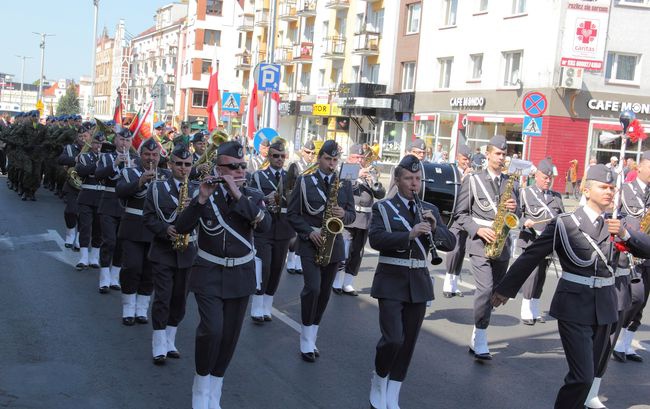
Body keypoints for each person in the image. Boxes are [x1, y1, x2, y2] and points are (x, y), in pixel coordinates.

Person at [491, 164, 650, 409]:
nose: (609, 192)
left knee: (592, 375)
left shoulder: (617, 225)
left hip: (606, 306)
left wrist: (627, 236)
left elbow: (646, 249)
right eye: (602, 187)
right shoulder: (566, 223)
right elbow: (530, 256)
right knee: (582, 376)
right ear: (586, 190)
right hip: (574, 306)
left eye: (611, 187)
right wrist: (505, 289)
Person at [174, 140, 270, 408]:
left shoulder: (252, 196)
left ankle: (215, 388)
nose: (239, 171)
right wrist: (201, 198)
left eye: (242, 166)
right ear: (218, 168)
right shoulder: (204, 193)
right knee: (211, 330)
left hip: (241, 274)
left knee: (229, 337)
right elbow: (181, 227)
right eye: (232, 167)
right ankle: (201, 383)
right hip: (209, 273)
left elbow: (265, 227)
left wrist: (239, 196)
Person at [367, 155, 455, 409]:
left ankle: (393, 392)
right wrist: (409, 234)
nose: (414, 183)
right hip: (391, 280)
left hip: (418, 282)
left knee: (408, 343)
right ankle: (379, 377)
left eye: (417, 178)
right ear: (398, 180)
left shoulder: (429, 209)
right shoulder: (383, 208)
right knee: (393, 338)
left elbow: (450, 244)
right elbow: (376, 239)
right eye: (408, 178)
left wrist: (435, 227)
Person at [287, 140, 355, 363]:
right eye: (328, 159)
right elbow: (293, 214)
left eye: (335, 160)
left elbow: (353, 216)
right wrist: (307, 232)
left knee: (325, 294)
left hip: (333, 245)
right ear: (319, 158)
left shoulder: (343, 184)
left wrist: (343, 214)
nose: (332, 164)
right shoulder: (305, 181)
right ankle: (305, 338)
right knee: (312, 288)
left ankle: (312, 336)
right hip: (310, 242)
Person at [454, 135, 519, 360]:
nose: (501, 158)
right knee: (484, 288)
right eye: (498, 154)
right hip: (480, 243)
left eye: (504, 154)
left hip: (502, 244)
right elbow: (460, 215)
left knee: (494, 292)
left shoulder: (512, 183)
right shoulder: (473, 180)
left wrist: (515, 209)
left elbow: (516, 217)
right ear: (488, 154)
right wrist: (478, 230)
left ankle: (478, 330)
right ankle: (481, 336)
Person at [143, 145, 198, 365]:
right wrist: (164, 229)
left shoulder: (197, 190)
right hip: (163, 251)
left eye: (187, 165)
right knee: (163, 297)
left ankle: (170, 339)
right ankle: (158, 343)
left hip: (187, 251)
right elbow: (147, 218)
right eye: (179, 164)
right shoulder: (157, 188)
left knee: (180, 299)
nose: (183, 168)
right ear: (170, 164)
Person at [116, 138, 167, 326]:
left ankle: (142, 308)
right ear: (140, 155)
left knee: (150, 271)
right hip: (133, 227)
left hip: (155, 230)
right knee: (132, 267)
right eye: (147, 154)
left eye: (154, 155)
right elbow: (120, 191)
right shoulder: (130, 172)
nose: (151, 158)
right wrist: (140, 182)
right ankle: (128, 306)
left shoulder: (166, 175)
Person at [249, 138, 295, 322]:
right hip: (264, 227)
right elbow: (250, 200)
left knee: (277, 268)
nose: (279, 159)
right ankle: (257, 305)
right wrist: (264, 200)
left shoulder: (290, 178)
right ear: (269, 156)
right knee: (265, 266)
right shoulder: (259, 176)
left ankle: (267, 305)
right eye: (275, 156)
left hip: (283, 228)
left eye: (282, 156)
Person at [332, 144, 385, 296]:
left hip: (365, 219)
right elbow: (341, 189)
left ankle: (348, 283)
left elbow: (380, 194)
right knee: (344, 251)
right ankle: (337, 281)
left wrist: (373, 182)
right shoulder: (345, 170)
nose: (359, 160)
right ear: (350, 158)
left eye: (362, 158)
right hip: (349, 217)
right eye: (356, 157)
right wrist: (356, 176)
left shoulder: (370, 172)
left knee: (357, 253)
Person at [517, 159, 564, 325]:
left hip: (548, 244)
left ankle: (535, 307)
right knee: (532, 274)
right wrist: (524, 222)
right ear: (536, 175)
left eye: (550, 178)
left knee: (542, 276)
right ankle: (526, 308)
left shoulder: (556, 197)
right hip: (530, 240)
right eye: (544, 177)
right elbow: (516, 215)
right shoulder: (525, 193)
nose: (547, 180)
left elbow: (561, 218)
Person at [614, 151, 650, 362]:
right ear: (642, 166)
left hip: (648, 254)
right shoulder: (625, 190)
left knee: (642, 301)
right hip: (629, 253)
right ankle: (615, 339)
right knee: (634, 296)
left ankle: (626, 344)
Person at [94, 127, 133, 293]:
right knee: (109, 241)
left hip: (126, 206)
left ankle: (114, 277)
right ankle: (104, 278)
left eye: (127, 140)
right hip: (109, 202)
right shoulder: (107, 156)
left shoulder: (136, 159)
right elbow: (98, 174)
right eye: (121, 140)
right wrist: (115, 164)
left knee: (121, 244)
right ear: (115, 140)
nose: (124, 143)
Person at [442, 144, 473, 298]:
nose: (466, 162)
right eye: (464, 159)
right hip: (454, 215)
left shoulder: (473, 174)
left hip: (467, 216)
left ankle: (454, 284)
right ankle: (447, 283)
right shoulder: (452, 171)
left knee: (461, 251)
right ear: (458, 158)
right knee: (453, 249)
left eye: (469, 160)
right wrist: (464, 178)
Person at [74, 130, 105, 271]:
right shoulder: (84, 156)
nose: (98, 146)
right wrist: (97, 164)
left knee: (99, 229)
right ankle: (83, 257)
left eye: (101, 143)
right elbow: (81, 171)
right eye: (96, 143)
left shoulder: (109, 158)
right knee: (85, 227)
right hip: (86, 197)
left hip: (102, 198)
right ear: (91, 143)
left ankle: (94, 257)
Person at [285, 140, 317, 275]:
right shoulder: (295, 165)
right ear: (303, 152)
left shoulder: (315, 167)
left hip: (308, 205)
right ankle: (290, 261)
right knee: (293, 235)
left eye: (313, 153)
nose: (310, 155)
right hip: (296, 202)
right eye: (308, 152)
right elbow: (289, 186)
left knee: (304, 234)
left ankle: (299, 262)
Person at [58, 126, 89, 250]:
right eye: (80, 136)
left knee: (84, 215)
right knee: (70, 211)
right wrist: (75, 159)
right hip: (72, 186)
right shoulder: (70, 148)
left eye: (85, 136)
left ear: (90, 136)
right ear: (77, 137)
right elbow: (61, 159)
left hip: (88, 186)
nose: (82, 139)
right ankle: (70, 233)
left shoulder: (94, 149)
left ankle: (79, 239)